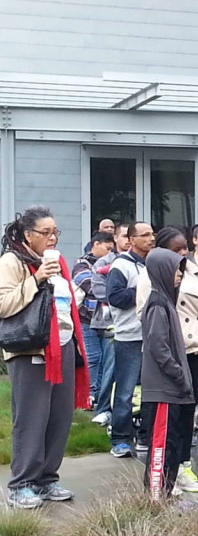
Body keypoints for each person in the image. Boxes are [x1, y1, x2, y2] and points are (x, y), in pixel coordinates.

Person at [0, 207, 89, 509]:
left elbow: (66, 301)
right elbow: (3, 304)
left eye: (55, 232)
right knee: (31, 418)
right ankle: (22, 484)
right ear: (28, 235)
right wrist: (36, 278)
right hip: (30, 349)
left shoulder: (57, 260)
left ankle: (47, 479)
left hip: (62, 346)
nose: (52, 237)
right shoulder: (12, 261)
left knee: (59, 417)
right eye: (45, 232)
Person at [135, 227, 198, 493]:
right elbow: (157, 343)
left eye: (184, 252)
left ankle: (173, 475)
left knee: (181, 424)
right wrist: (179, 373)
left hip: (189, 357)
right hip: (168, 375)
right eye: (176, 254)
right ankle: (158, 488)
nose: (182, 263)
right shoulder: (157, 298)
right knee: (163, 434)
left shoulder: (187, 278)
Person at [138, 248, 193, 499]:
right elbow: (158, 347)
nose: (179, 275)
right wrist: (179, 375)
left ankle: (164, 492)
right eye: (175, 270)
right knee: (161, 444)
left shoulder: (166, 301)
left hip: (171, 389)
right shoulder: (158, 303)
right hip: (164, 389)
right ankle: (156, 496)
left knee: (172, 443)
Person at [106, 221, 155, 458]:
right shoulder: (121, 265)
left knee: (151, 390)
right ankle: (120, 439)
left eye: (152, 234)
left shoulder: (155, 263)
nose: (150, 238)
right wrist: (143, 291)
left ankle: (146, 436)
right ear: (132, 240)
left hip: (153, 336)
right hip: (129, 336)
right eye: (144, 235)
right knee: (125, 391)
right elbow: (114, 297)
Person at [88, 224, 130, 425]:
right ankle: (104, 408)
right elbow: (100, 291)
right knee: (110, 366)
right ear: (115, 239)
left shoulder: (143, 263)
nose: (128, 239)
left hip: (138, 323)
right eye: (124, 236)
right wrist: (127, 296)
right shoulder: (103, 263)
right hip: (110, 322)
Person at [73, 231, 114, 408]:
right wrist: (105, 285)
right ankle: (89, 394)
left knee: (107, 359)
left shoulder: (115, 262)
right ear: (96, 244)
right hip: (86, 318)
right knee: (93, 357)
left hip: (107, 319)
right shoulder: (82, 263)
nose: (110, 253)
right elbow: (87, 284)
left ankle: (100, 396)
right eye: (107, 248)